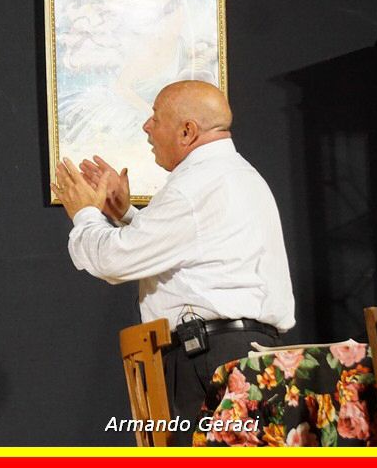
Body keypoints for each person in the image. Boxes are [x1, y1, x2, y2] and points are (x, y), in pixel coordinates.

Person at [51, 80, 295, 446]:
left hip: (208, 363)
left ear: (187, 131)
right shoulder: (238, 175)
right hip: (249, 357)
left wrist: (84, 213)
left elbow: (113, 262)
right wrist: (126, 215)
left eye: (155, 117)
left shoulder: (193, 186)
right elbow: (192, 252)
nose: (146, 126)